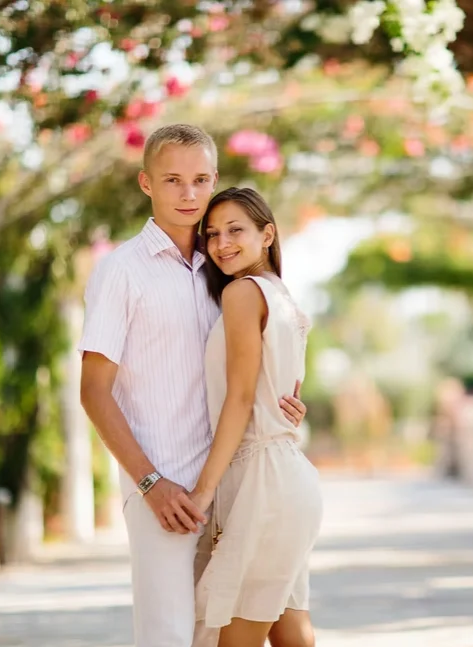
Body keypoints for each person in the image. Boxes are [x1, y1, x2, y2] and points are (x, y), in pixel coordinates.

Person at [78, 124, 307, 647]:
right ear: (146, 183)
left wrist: (288, 402)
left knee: (246, 629)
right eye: (173, 180)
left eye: (200, 180)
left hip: (236, 485)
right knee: (170, 638)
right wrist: (150, 484)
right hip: (166, 492)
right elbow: (93, 391)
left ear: (215, 180)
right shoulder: (121, 272)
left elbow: (253, 371)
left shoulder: (226, 268)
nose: (189, 194)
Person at [190, 187, 323, 647]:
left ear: (268, 234)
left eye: (235, 230)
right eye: (211, 234)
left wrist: (202, 491)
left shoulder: (243, 293)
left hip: (263, 483)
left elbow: (242, 397)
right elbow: (271, 393)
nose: (221, 243)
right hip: (284, 477)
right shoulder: (282, 297)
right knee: (291, 635)